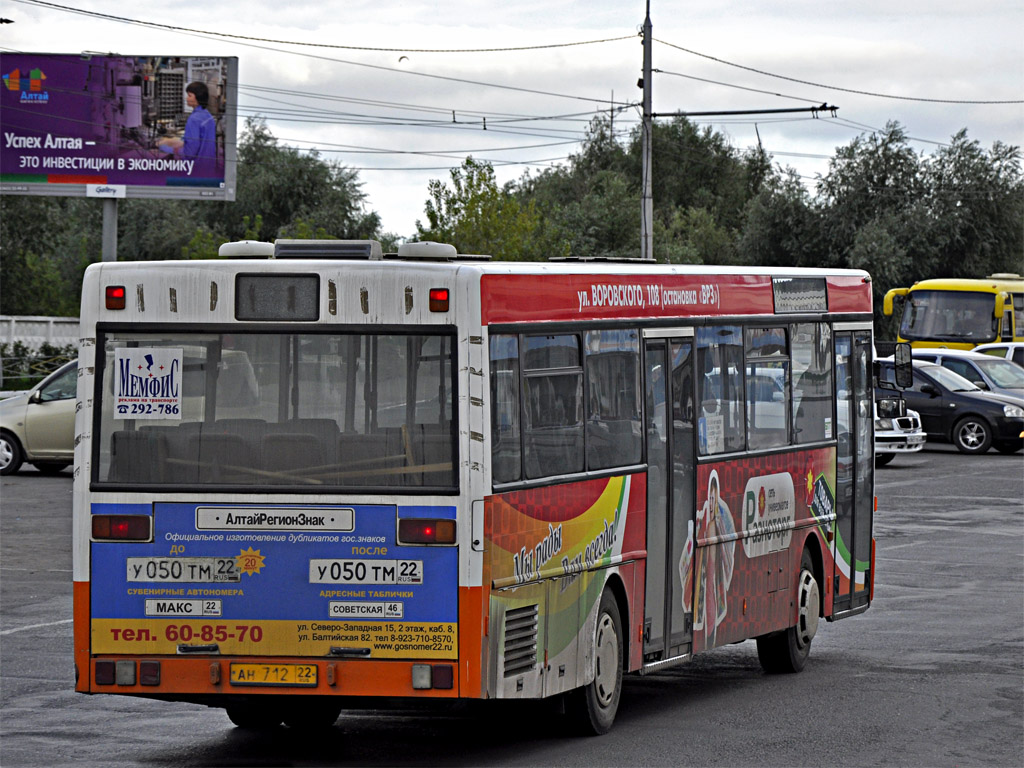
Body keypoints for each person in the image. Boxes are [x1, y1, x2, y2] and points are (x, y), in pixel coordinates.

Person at [157, 81, 218, 175]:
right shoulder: (207, 116)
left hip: (196, 171)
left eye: (189, 96)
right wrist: (168, 141)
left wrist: (164, 147)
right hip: (209, 168)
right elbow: (195, 142)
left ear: (198, 97)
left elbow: (189, 153)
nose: (186, 98)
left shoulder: (194, 119)